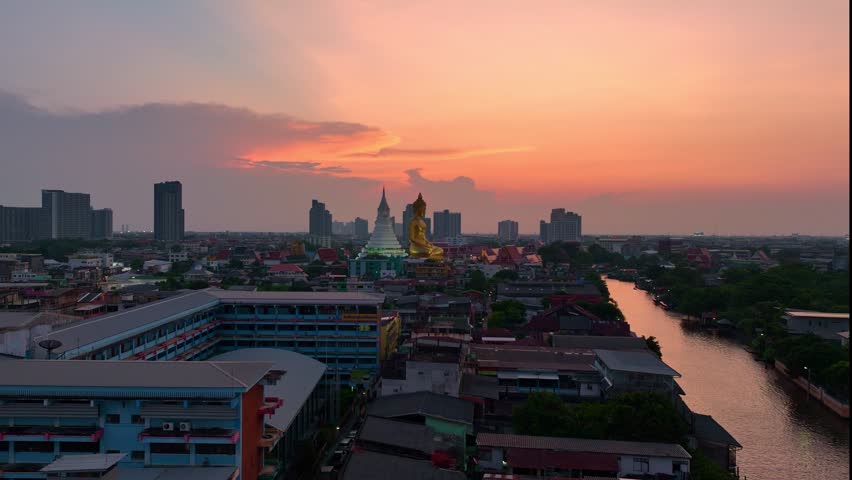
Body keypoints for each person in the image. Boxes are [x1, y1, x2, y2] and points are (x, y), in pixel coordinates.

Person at [408, 193, 444, 261]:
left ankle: (432, 257)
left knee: (440, 250)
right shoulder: (413, 222)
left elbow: (423, 237)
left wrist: (427, 243)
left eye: (425, 209)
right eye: (423, 209)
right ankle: (431, 257)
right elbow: (412, 238)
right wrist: (423, 244)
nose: (424, 211)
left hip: (424, 245)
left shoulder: (423, 222)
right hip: (416, 247)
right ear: (418, 209)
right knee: (427, 251)